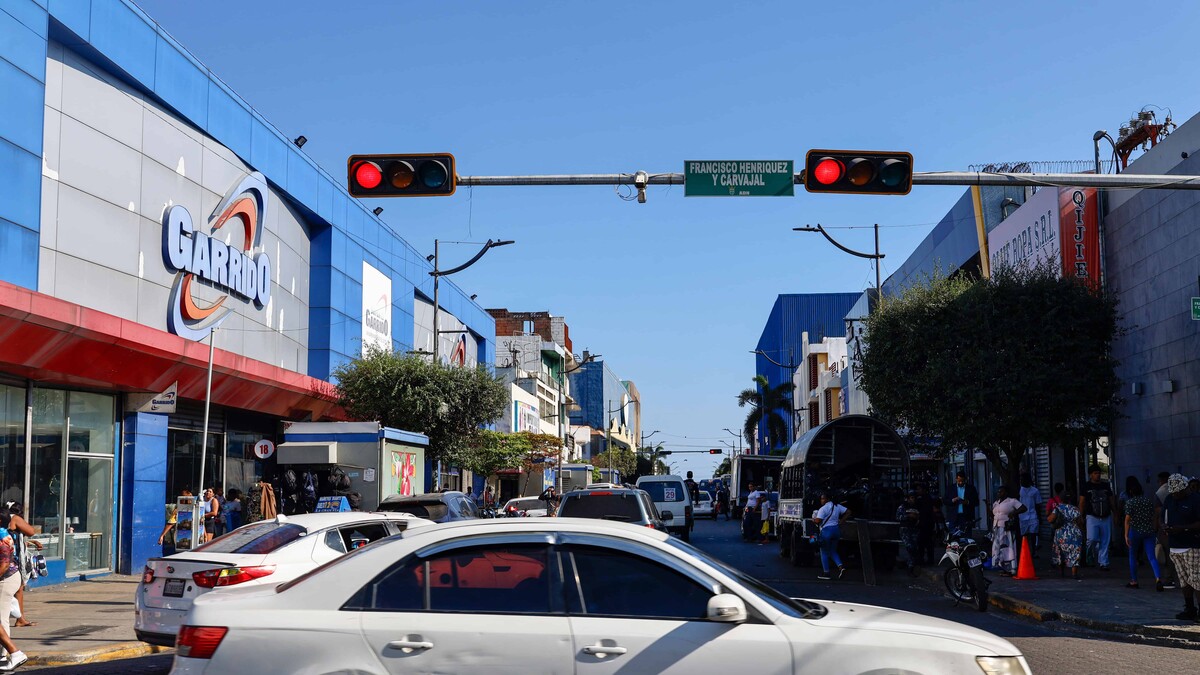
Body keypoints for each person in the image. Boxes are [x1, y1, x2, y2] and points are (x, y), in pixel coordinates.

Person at [1161, 473, 1200, 621]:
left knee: (1196, 579)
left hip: (1192, 546)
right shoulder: (1169, 499)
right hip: (1175, 546)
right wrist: (1163, 526)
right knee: (1183, 580)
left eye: (1177, 492)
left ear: (1185, 488)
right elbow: (1161, 516)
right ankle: (1189, 608)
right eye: (1173, 492)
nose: (1175, 495)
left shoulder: (1195, 499)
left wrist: (1183, 528)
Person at [0, 505, 40, 629]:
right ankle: (20, 618)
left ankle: (20, 618)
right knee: (18, 589)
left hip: (8, 564)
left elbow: (12, 539)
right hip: (13, 563)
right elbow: (30, 532)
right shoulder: (14, 519)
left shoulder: (4, 530)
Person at [1122, 476, 1163, 590]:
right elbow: (1154, 515)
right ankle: (1158, 578)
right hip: (1148, 531)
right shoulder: (1148, 501)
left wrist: (1126, 535)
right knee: (1152, 557)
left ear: (1131, 492)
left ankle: (1134, 581)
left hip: (1135, 531)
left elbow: (1127, 520)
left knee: (1132, 556)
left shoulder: (1130, 502)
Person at [0, 525, 27, 670]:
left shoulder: (2, 538)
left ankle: (6, 653)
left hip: (6, 579)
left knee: (2, 617)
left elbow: (4, 564)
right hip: (7, 578)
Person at [1079, 466, 1115, 570]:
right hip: (1091, 516)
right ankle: (1089, 556)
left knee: (1105, 540)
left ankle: (1103, 563)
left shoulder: (1106, 486)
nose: (1097, 475)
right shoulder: (1086, 486)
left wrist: (1115, 513)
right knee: (1091, 538)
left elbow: (1111, 500)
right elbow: (1082, 502)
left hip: (1106, 516)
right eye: (1095, 473)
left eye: (1099, 473)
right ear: (1090, 474)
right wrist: (1080, 516)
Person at [991, 485, 1026, 576]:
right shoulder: (996, 503)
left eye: (1001, 491)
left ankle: (1011, 568)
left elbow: (1023, 508)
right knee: (998, 548)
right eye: (998, 492)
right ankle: (1002, 567)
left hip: (1006, 528)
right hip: (996, 528)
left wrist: (1014, 513)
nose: (999, 493)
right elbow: (993, 515)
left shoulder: (1012, 501)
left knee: (1008, 547)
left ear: (1006, 493)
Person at [813, 492, 849, 580]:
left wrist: (813, 519)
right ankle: (841, 567)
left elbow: (817, 521)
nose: (821, 500)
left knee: (824, 552)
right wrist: (841, 521)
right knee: (833, 551)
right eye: (821, 499)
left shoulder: (823, 509)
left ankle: (826, 573)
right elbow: (848, 512)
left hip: (826, 532)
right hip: (836, 531)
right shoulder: (837, 506)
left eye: (823, 498)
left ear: (827, 499)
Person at [1049, 489, 1084, 579]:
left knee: (1060, 553)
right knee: (1075, 553)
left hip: (1061, 533)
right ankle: (1074, 574)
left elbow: (1050, 519)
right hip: (1074, 533)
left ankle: (1061, 572)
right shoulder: (1075, 509)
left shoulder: (1058, 508)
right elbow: (1080, 522)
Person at [1017, 473, 1042, 558]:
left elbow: (1038, 505)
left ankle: (1033, 551)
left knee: (1033, 534)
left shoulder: (1035, 491)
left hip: (1032, 515)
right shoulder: (1019, 490)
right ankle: (1025, 551)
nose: (1021, 481)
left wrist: (1039, 517)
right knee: (1024, 535)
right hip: (1022, 516)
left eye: (1022, 480)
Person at [897, 491, 921, 575]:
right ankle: (910, 565)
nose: (913, 500)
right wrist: (908, 516)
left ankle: (911, 566)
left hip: (914, 528)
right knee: (909, 546)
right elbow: (898, 517)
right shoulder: (903, 507)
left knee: (914, 547)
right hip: (905, 529)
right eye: (911, 498)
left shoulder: (917, 507)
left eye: (914, 498)